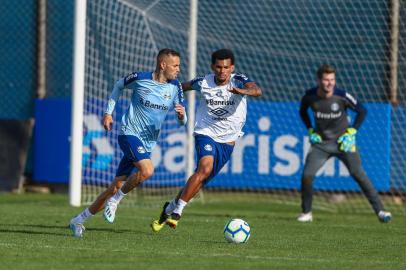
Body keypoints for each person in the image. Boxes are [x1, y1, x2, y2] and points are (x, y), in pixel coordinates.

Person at [69, 48, 187, 237]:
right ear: (163, 64)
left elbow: (183, 122)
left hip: (148, 143)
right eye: (175, 65)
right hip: (129, 134)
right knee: (147, 170)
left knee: (114, 186)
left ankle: (78, 220)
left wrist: (182, 116)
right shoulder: (140, 78)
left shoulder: (175, 87)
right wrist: (108, 113)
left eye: (179, 66)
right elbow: (118, 86)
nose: (178, 69)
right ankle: (115, 201)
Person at [151, 48, 262, 232]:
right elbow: (181, 86)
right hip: (206, 133)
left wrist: (240, 91)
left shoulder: (239, 80)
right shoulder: (203, 82)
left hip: (228, 141)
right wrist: (162, 89)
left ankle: (169, 207)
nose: (222, 71)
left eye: (226, 67)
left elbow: (256, 90)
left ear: (231, 67)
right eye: (218, 67)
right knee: (205, 168)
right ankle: (178, 211)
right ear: (212, 67)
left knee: (200, 180)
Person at [297, 64, 392, 223]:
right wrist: (310, 130)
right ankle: (306, 213)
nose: (330, 83)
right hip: (321, 144)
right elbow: (302, 112)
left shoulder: (342, 96)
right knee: (307, 176)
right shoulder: (309, 96)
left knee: (359, 175)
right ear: (319, 80)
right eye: (326, 80)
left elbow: (362, 111)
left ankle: (381, 211)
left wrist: (352, 132)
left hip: (344, 143)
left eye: (332, 80)